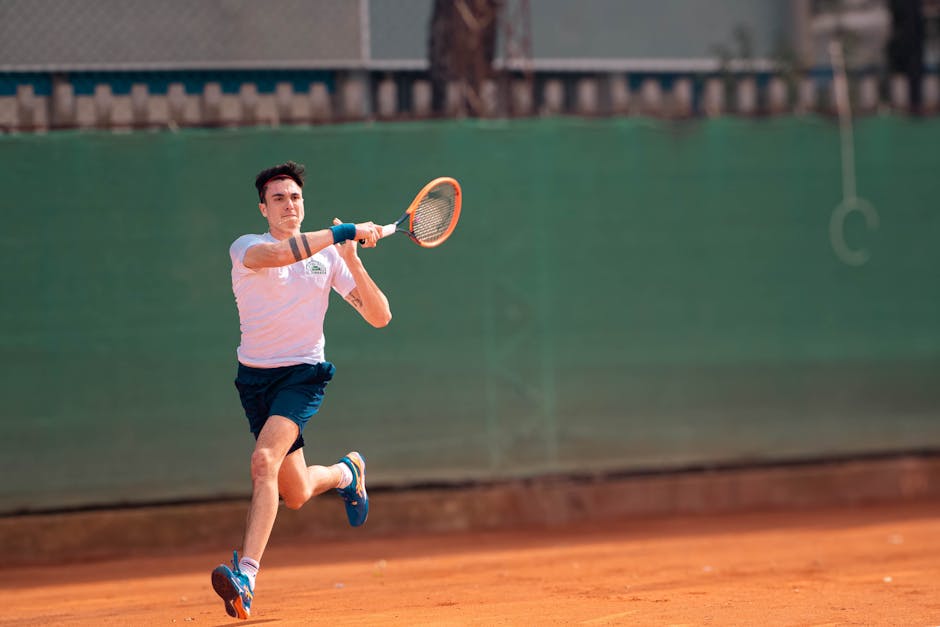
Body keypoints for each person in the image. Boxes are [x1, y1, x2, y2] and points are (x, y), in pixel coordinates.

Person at [211, 161, 391, 619]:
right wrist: (342, 233)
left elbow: (379, 316)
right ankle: (347, 474)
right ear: (263, 209)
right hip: (255, 379)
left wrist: (351, 258)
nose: (289, 204)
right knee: (294, 492)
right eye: (278, 198)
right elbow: (279, 257)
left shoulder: (329, 256)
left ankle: (246, 576)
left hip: (303, 375)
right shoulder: (247, 247)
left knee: (263, 461)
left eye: (295, 197)